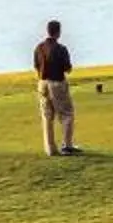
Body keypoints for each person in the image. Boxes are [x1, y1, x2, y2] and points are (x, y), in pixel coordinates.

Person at [34, 19, 80, 156]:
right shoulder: (61, 49)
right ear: (58, 32)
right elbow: (67, 68)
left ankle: (50, 149)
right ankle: (67, 145)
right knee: (67, 114)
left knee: (47, 116)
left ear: (47, 31)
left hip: (42, 83)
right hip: (57, 83)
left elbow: (36, 65)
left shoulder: (39, 47)